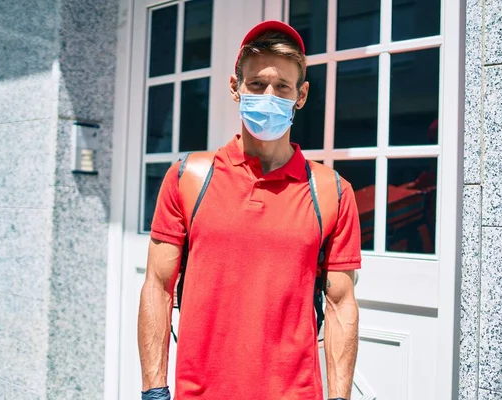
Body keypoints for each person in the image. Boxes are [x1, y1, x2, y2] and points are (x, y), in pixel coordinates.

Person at [138, 20, 362, 400]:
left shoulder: (332, 191)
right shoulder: (189, 177)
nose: (269, 96)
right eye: (257, 85)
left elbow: (340, 302)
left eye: (282, 87)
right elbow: (158, 287)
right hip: (201, 392)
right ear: (235, 88)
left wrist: (340, 397)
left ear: (301, 95)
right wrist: (153, 390)